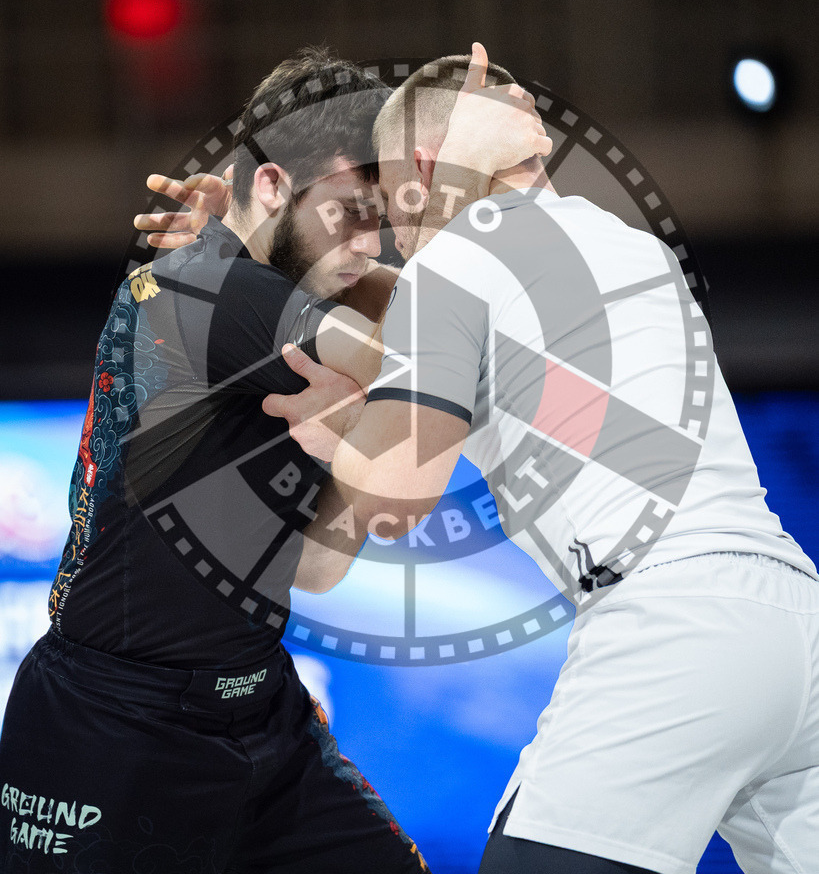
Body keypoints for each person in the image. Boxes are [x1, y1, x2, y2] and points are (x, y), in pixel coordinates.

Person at [265, 46, 819, 874]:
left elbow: (397, 501)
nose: (389, 229)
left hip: (673, 627)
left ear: (422, 167)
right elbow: (514, 381)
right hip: (793, 620)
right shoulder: (634, 251)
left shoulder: (456, 265)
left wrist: (335, 440)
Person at [0, 49, 420, 874]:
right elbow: (414, 364)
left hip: (261, 709)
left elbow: (319, 573)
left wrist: (346, 455)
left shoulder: (280, 303)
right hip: (114, 733)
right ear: (268, 187)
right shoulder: (202, 287)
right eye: (345, 213)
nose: (368, 246)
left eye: (379, 219)